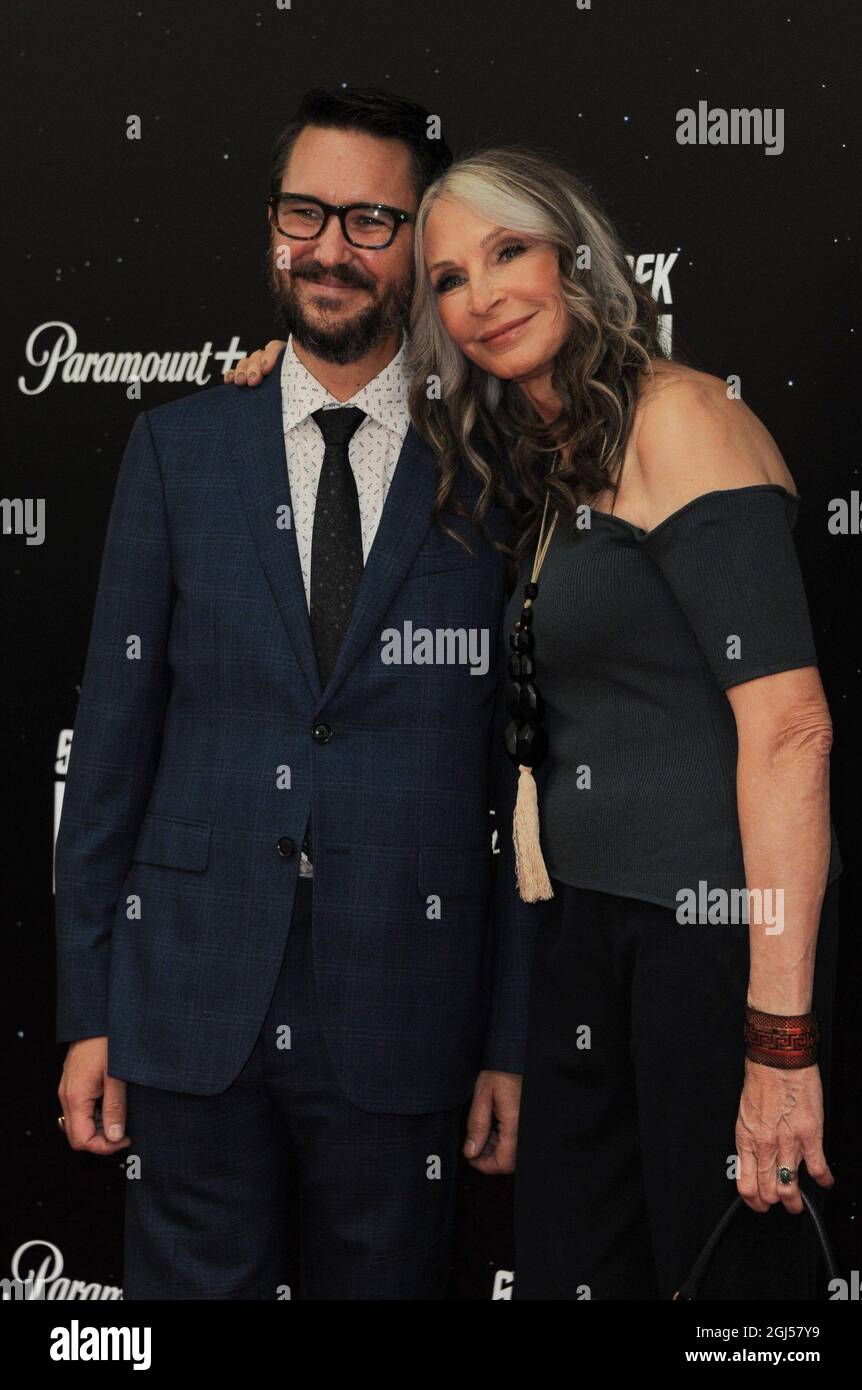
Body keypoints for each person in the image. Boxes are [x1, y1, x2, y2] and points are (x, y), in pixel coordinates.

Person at [234, 144, 843, 1299]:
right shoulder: (546, 455)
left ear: (576, 256)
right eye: (450, 277)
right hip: (587, 935)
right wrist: (288, 377)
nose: (485, 295)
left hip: (713, 944)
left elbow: (793, 730)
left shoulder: (683, 418)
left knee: (740, 1301)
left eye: (508, 252)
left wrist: (780, 1040)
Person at [54, 89, 545, 1302]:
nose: (330, 246)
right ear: (272, 226)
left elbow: (526, 785)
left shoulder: (494, 472)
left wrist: (512, 1037)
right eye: (304, 212)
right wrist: (87, 1006)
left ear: (422, 244)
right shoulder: (176, 451)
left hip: (408, 1010)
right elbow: (110, 750)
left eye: (371, 220)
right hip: (186, 1004)